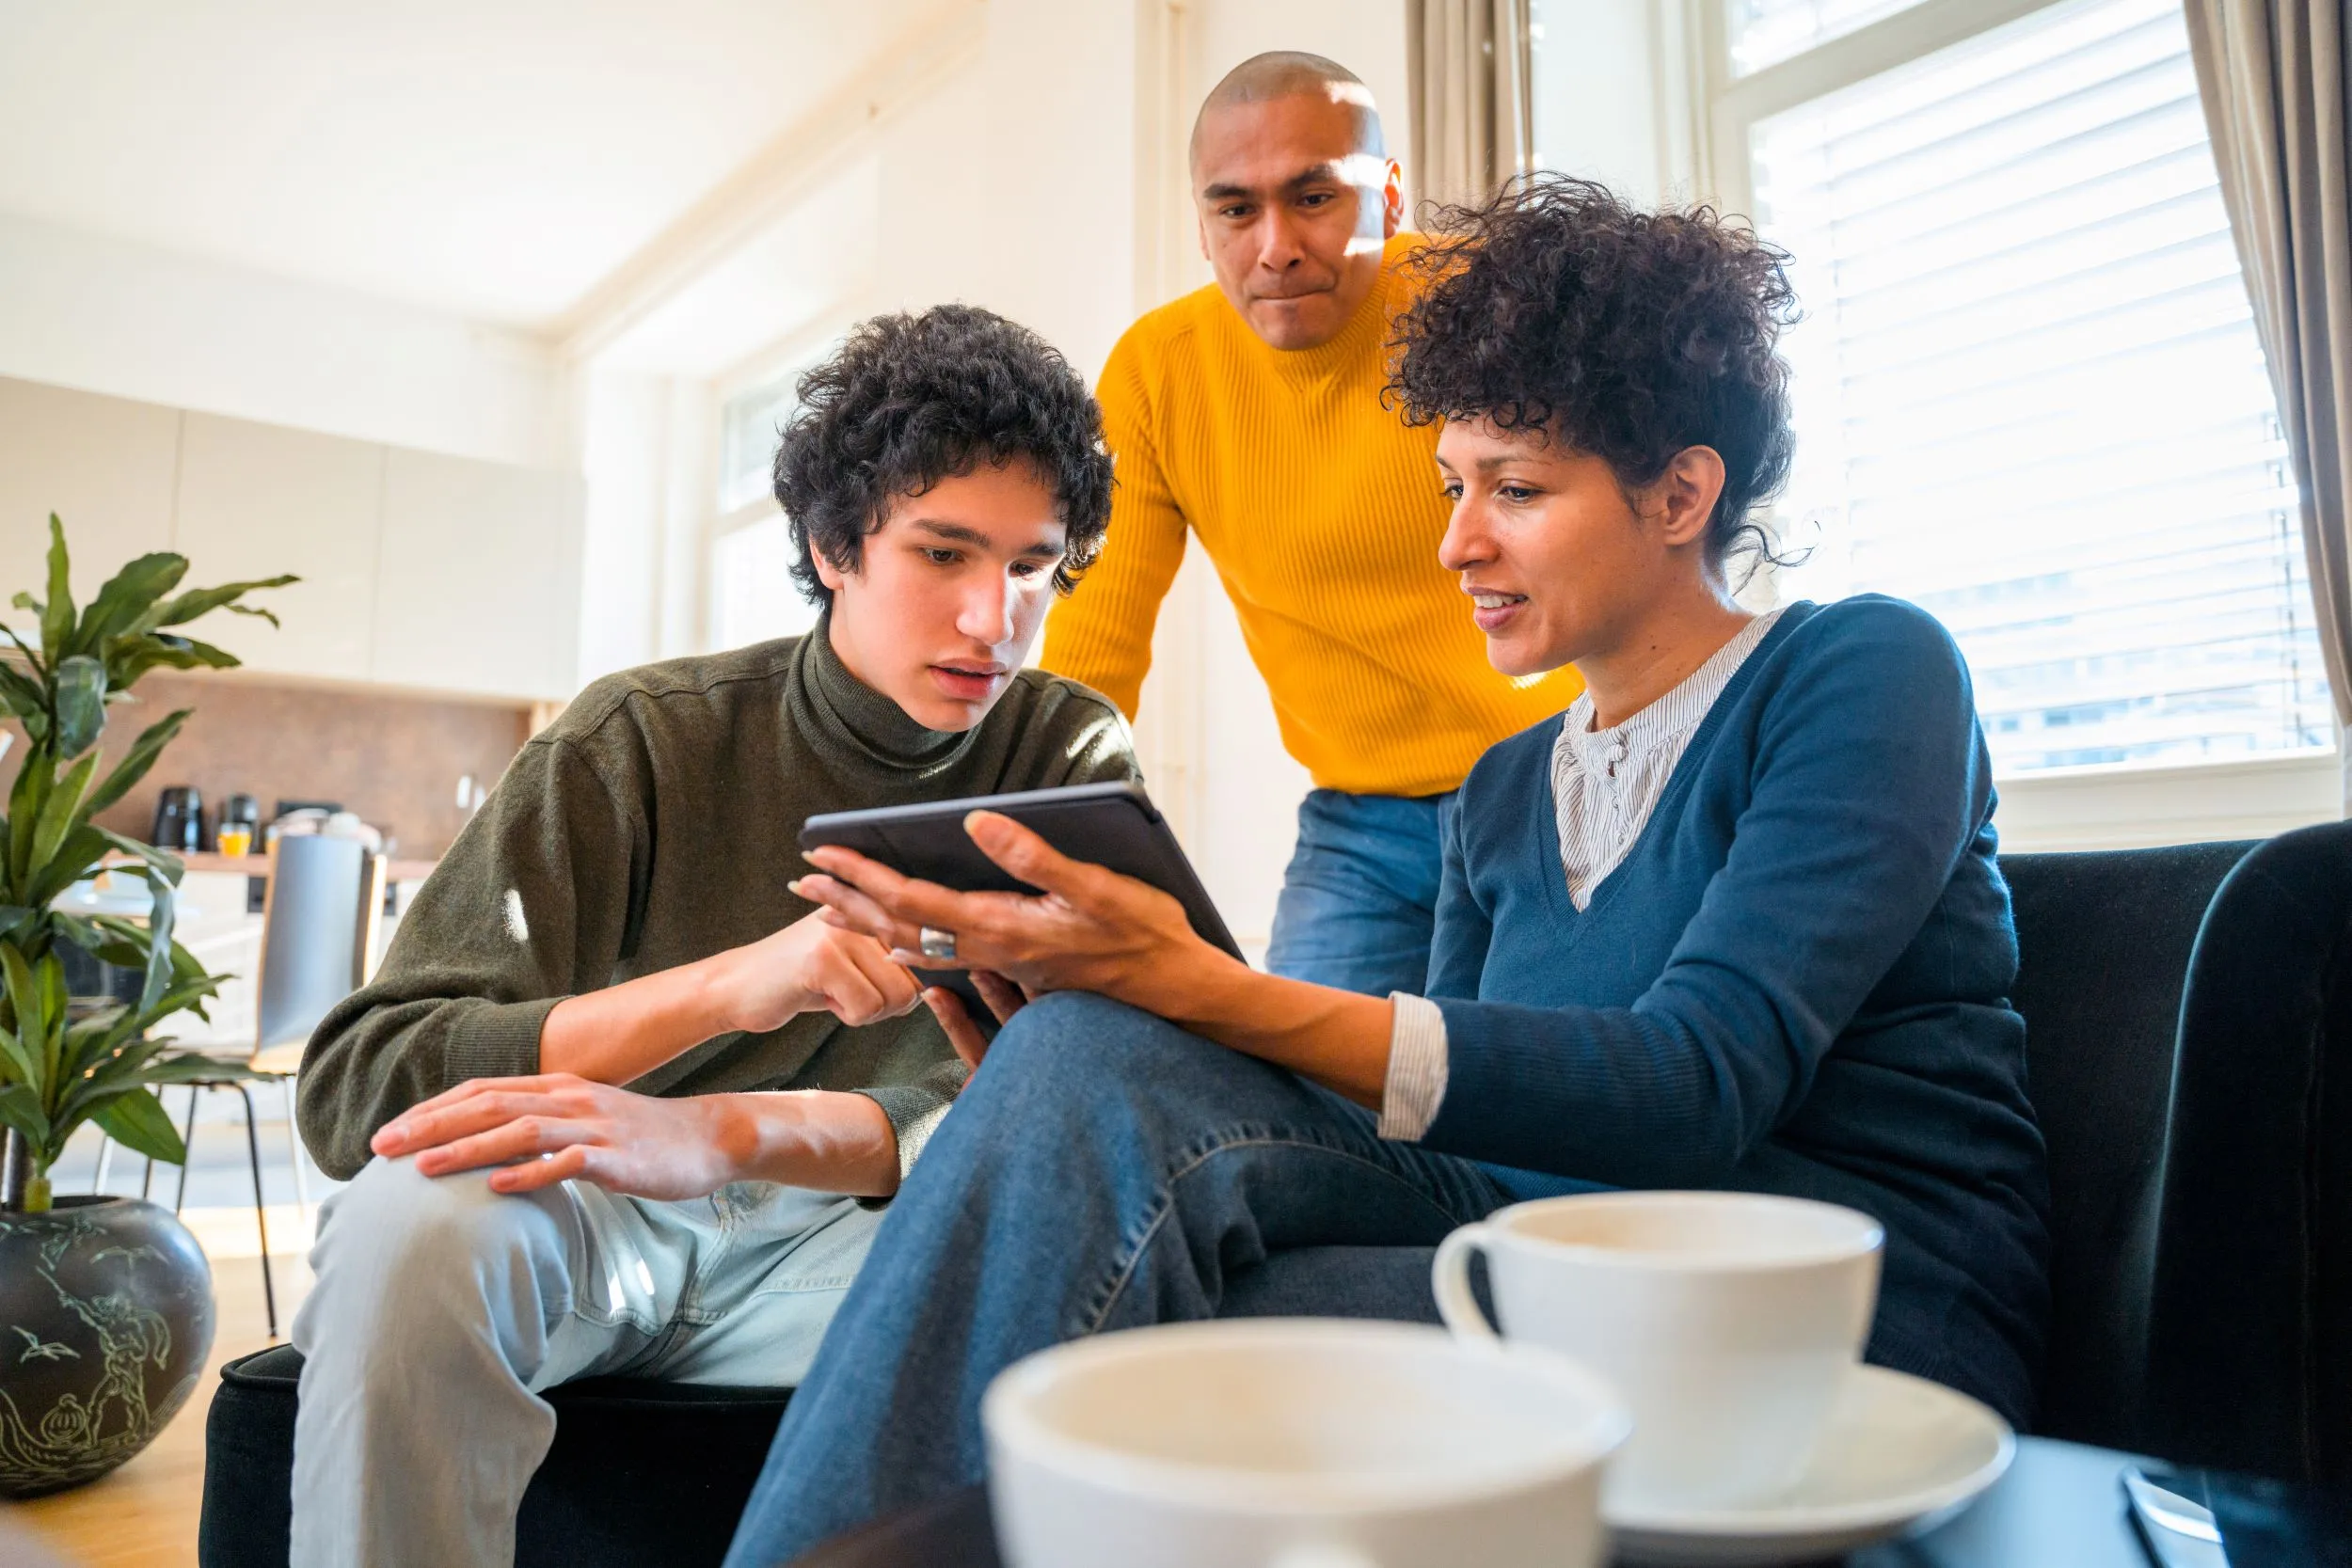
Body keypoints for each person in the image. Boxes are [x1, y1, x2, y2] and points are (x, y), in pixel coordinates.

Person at [723, 178, 2055, 1562]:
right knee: (1081, 1071)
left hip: (1813, 1330)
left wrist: (1200, 993)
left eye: (1515, 489)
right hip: (1536, 1281)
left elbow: (1698, 1081)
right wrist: (1102, 1045)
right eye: (1453, 485)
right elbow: (1460, 1148)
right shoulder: (1501, 791)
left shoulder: (1862, 671)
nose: (1456, 541)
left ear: (1680, 491)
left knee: (1143, 1156)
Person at [285, 305, 1139, 1568]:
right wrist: (732, 988)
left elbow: (1064, 1107)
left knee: (1084, 1284)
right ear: (834, 544)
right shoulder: (632, 740)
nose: (990, 617)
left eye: (1031, 565)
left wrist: (723, 1134)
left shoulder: (1063, 758)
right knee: (410, 1227)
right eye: (945, 553)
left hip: (852, 1242)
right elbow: (360, 1085)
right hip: (591, 1216)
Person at [1040, 50, 1581, 997]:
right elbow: (1097, 639)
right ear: (1202, 227)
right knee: (1302, 1119)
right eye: (1236, 209)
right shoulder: (1157, 372)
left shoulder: (1483, 308)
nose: (1275, 245)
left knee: (1542, 1101)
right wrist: (1032, 839)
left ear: (1391, 196)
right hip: (1360, 822)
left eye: (1314, 197)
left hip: (1560, 775)